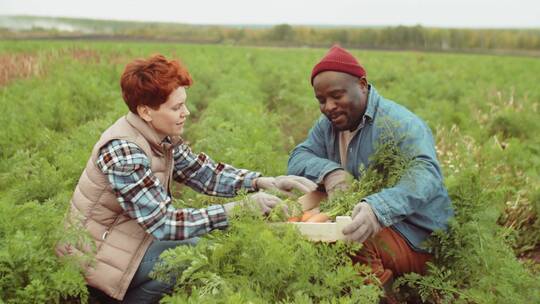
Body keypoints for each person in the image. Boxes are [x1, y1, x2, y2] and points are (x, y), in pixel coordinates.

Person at [57, 54, 317, 303]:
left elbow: (202, 172)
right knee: (189, 253)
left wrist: (262, 182)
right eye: (177, 107)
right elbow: (164, 224)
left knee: (193, 245)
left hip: (127, 240)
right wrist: (238, 209)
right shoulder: (124, 152)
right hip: (93, 255)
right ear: (146, 111)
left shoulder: (160, 136)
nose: (187, 112)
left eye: (185, 103)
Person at [287, 45, 453, 292]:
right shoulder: (328, 126)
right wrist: (331, 173)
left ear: (362, 85)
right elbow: (298, 157)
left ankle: (385, 294)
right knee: (325, 239)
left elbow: (425, 173)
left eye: (337, 96)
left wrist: (378, 208)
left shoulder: (398, 123)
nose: (329, 107)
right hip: (380, 230)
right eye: (321, 100)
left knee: (351, 240)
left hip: (419, 237)